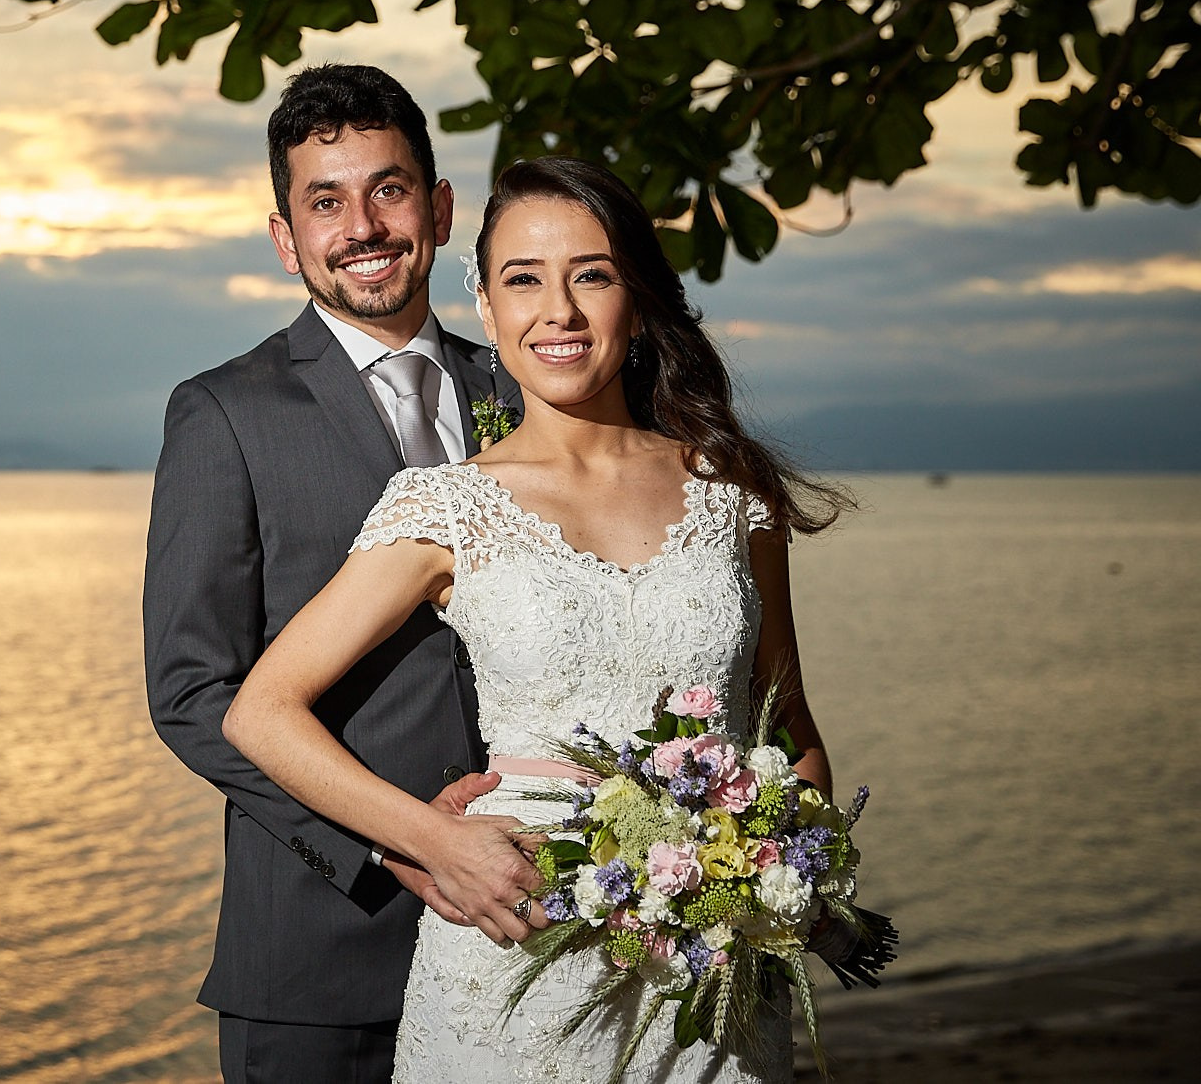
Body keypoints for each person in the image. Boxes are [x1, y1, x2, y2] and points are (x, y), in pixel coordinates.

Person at [223, 156, 851, 1082]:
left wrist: (787, 881)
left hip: (711, 973)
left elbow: (785, 723)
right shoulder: (444, 505)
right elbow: (260, 710)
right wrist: (432, 840)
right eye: (524, 279)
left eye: (590, 275)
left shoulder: (729, 489)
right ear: (483, 301)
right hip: (520, 949)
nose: (557, 310)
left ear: (635, 298)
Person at [144, 64, 540, 1082]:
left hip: (535, 926)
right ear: (285, 238)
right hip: (323, 955)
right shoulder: (222, 414)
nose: (360, 224)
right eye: (324, 201)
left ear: (440, 209)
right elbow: (193, 695)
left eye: (388, 188)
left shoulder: (527, 389)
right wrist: (395, 847)